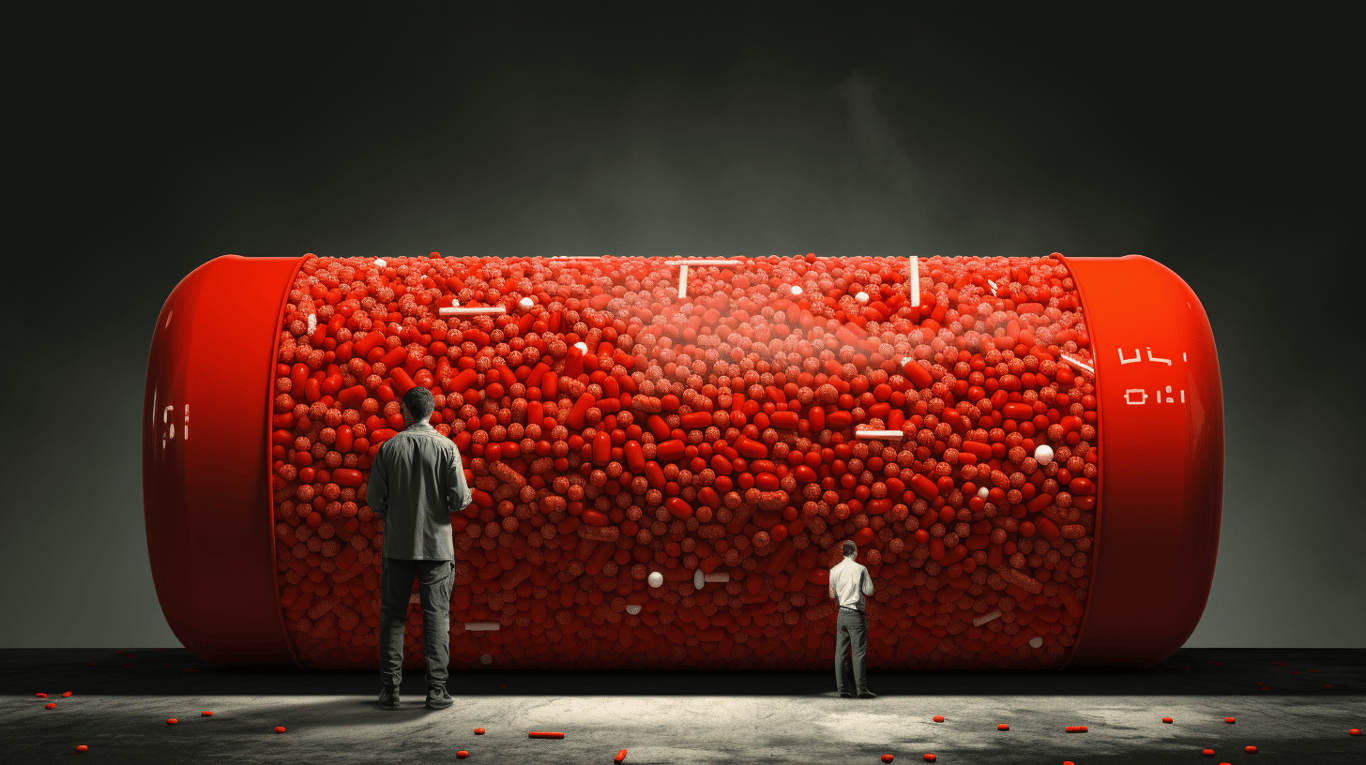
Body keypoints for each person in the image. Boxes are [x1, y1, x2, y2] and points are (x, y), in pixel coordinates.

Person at [367, 386, 472, 711]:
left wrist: (396, 509)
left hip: (398, 545)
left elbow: (374, 500)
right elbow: (459, 500)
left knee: (393, 617)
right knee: (436, 616)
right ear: (430, 412)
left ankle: (390, 692)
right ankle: (436, 691)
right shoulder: (447, 447)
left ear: (405, 412)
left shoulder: (388, 448)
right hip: (437, 547)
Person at [828, 539, 876, 698]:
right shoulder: (861, 569)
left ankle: (842, 690)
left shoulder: (834, 570)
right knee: (858, 653)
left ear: (843, 553)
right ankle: (861, 690)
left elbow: (831, 594)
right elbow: (869, 590)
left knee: (840, 653)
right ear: (855, 552)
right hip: (856, 615)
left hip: (842, 615)